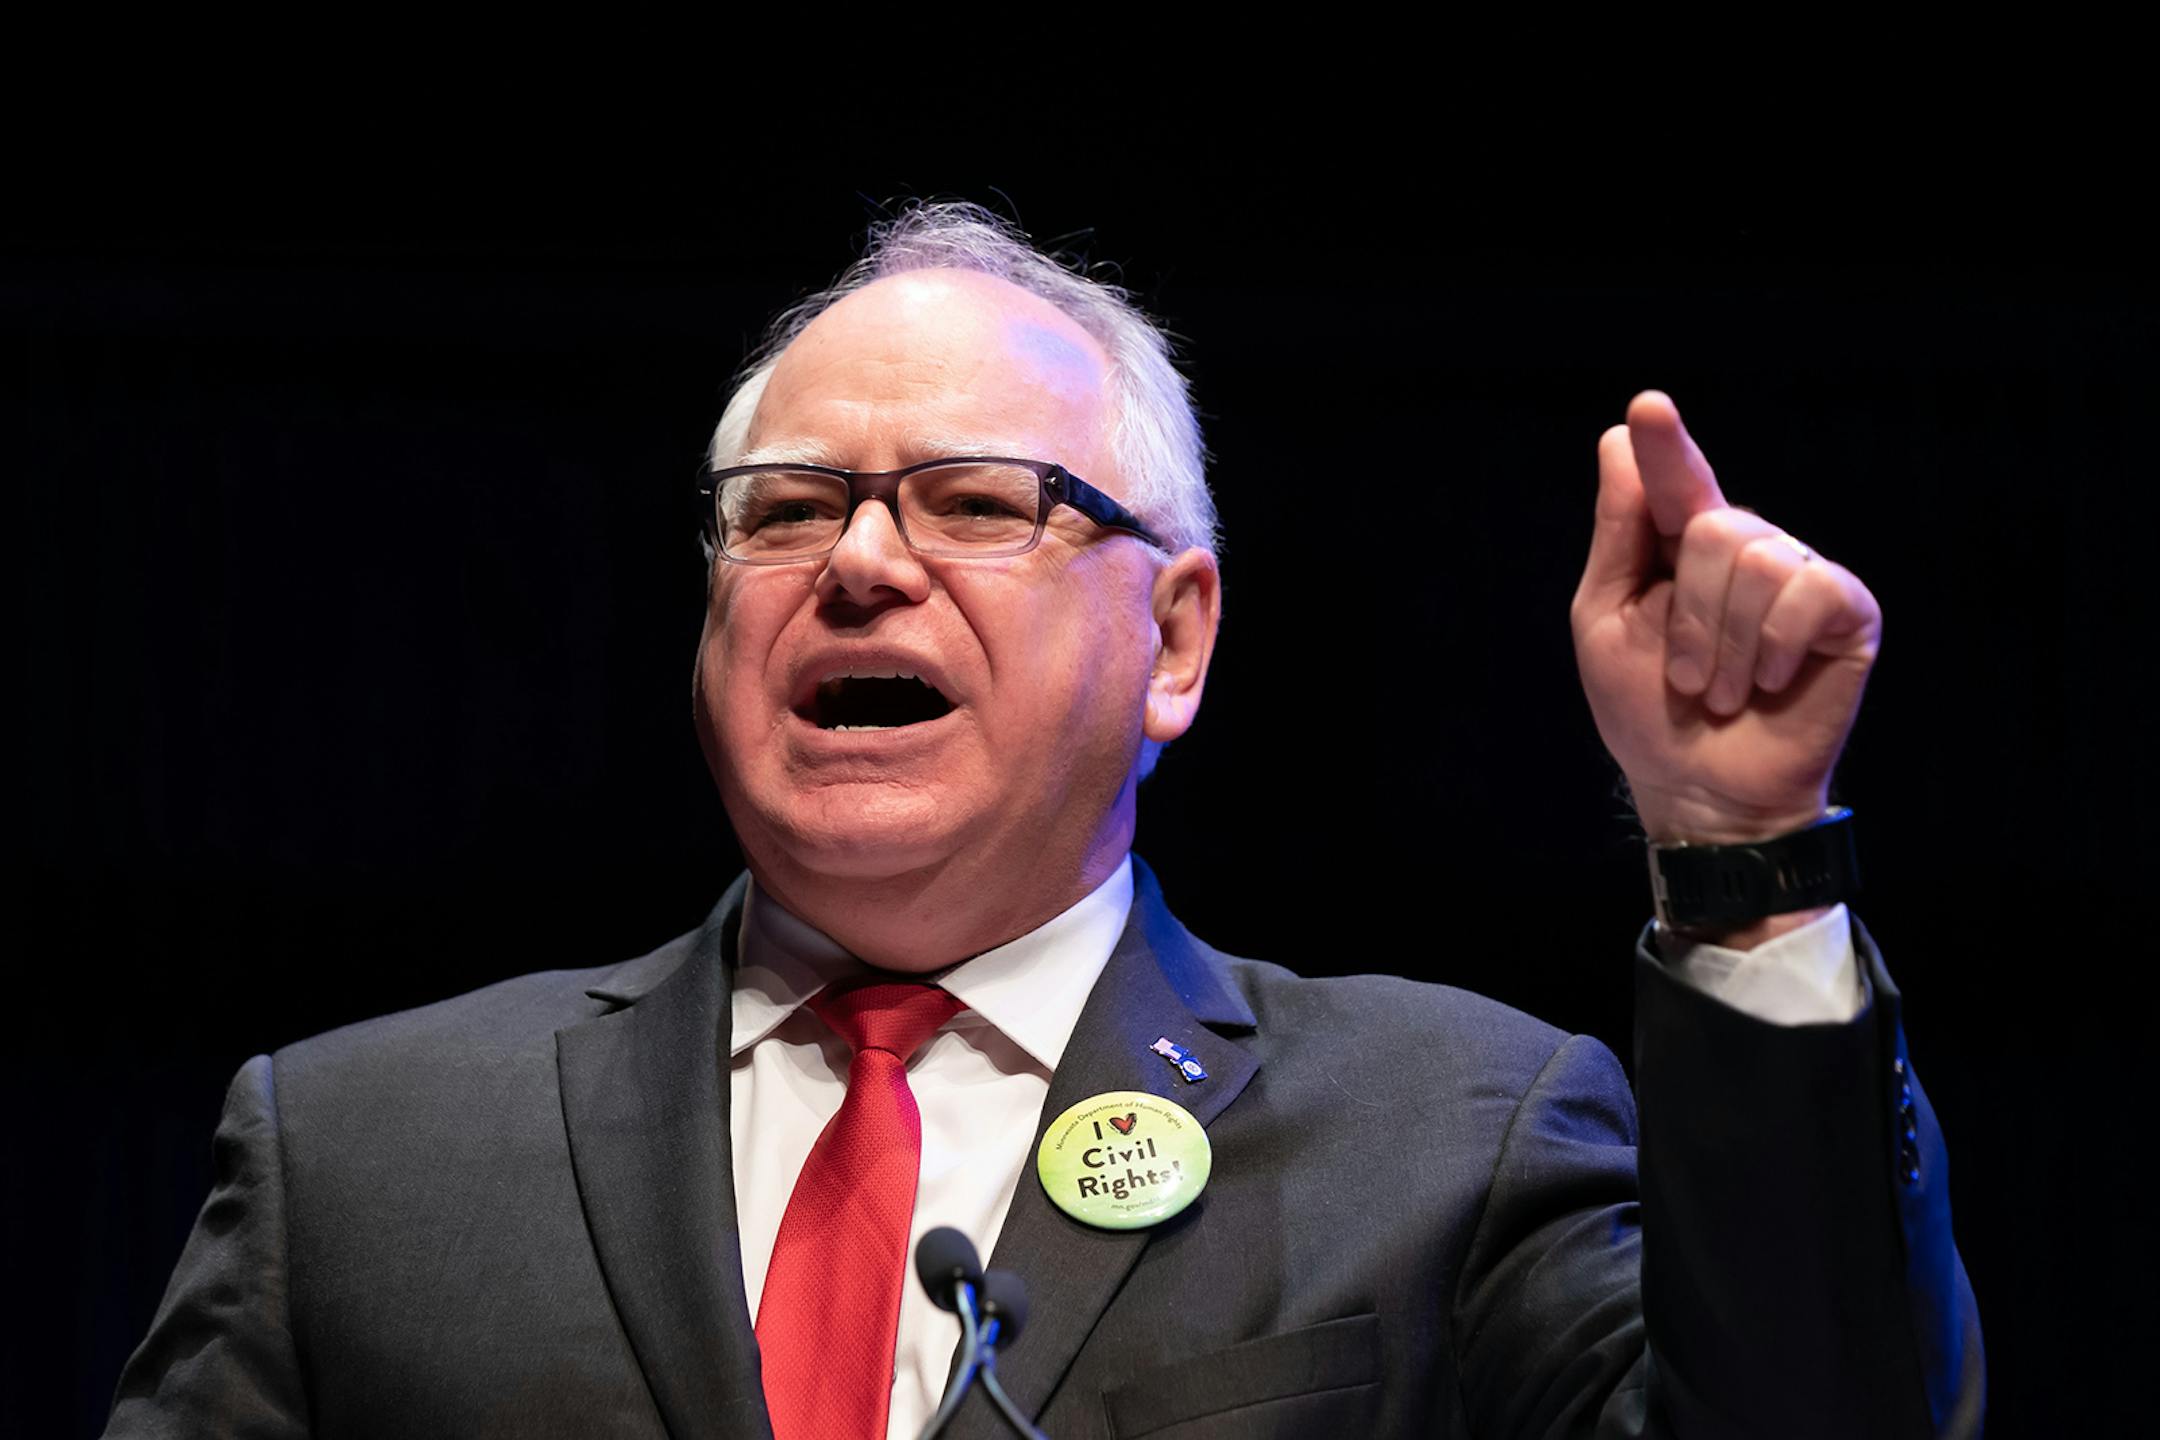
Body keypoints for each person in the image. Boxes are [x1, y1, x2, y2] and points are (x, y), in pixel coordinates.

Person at [104, 204, 1984, 1438]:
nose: (854, 562)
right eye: (780, 509)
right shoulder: (364, 1160)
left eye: (975, 502)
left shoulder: (1451, 1143)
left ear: (1173, 638)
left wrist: (1742, 865)